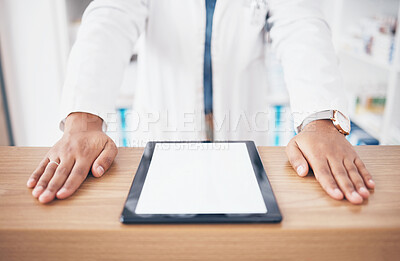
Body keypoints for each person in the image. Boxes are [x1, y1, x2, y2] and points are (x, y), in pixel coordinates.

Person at [26, 0, 375, 204]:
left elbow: (301, 22)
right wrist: (83, 121)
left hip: (242, 128)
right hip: (163, 129)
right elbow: (109, 18)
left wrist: (319, 122)